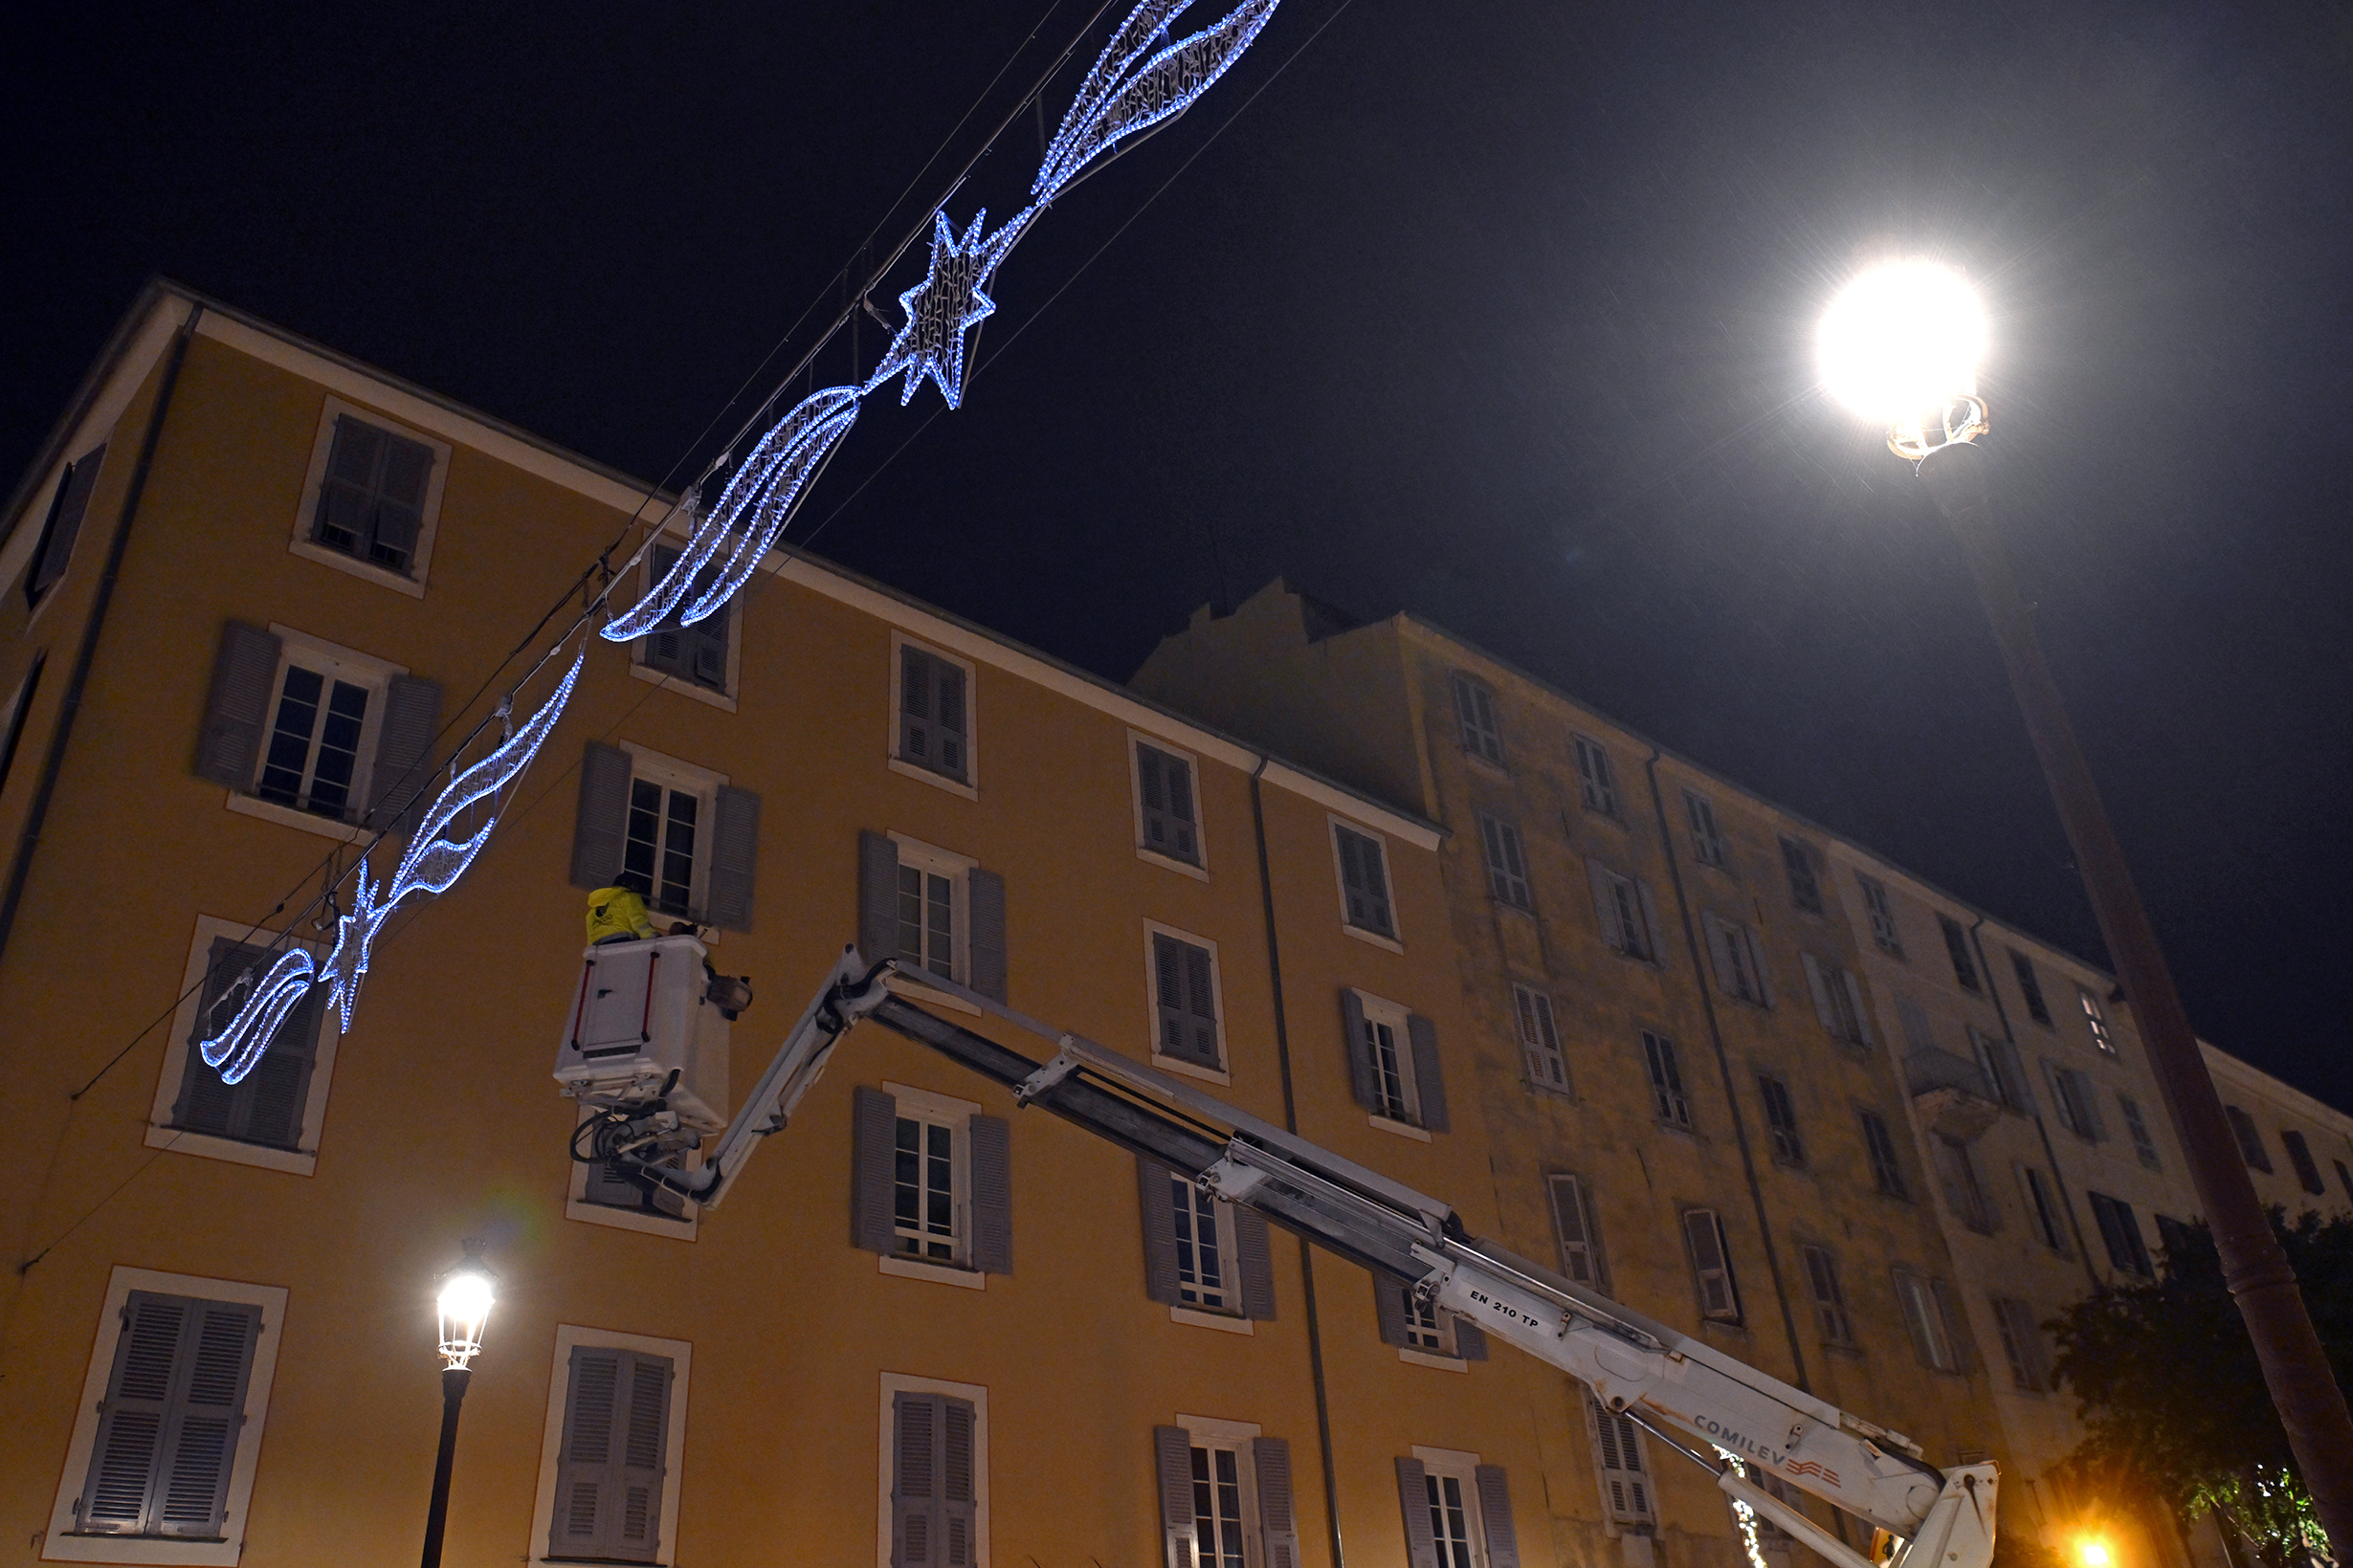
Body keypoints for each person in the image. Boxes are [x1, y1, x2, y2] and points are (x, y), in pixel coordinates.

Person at [582, 883, 753, 1020]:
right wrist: (656, 941)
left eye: (677, 931)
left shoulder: (592, 913)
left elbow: (705, 969)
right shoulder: (628, 898)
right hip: (627, 955)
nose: (673, 932)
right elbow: (642, 926)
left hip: (604, 958)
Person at [585, 884, 658, 945]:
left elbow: (590, 937)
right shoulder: (628, 897)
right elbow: (638, 921)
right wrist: (654, 938)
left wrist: (592, 954)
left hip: (601, 949)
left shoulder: (591, 913)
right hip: (623, 942)